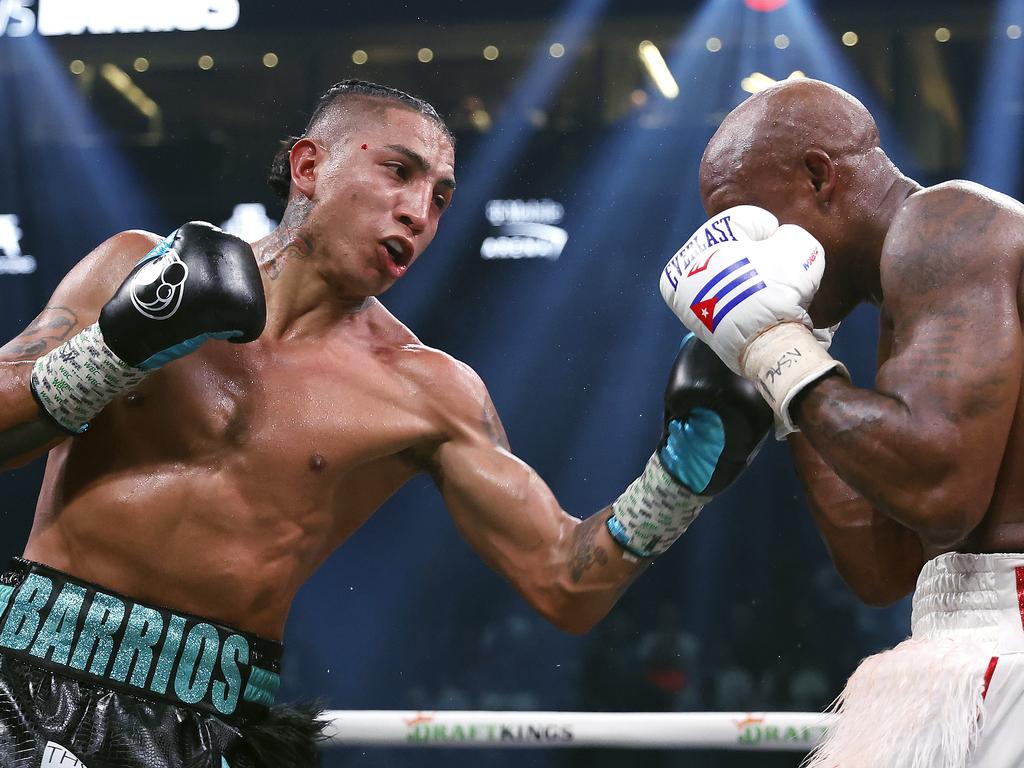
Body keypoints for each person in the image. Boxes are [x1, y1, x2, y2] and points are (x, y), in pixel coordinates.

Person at [0, 80, 771, 767]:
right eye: (398, 171)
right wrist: (115, 346)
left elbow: (564, 581)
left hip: (209, 726)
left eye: (440, 197)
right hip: (24, 676)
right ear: (309, 167)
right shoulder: (134, 268)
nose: (419, 211)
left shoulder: (427, 391)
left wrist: (679, 480)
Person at [660, 77, 1024, 768]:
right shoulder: (904, 291)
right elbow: (882, 567)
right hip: (971, 633)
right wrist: (788, 364)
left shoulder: (946, 225)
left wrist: (774, 349)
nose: (740, 256)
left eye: (746, 220)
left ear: (820, 176)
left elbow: (941, 493)